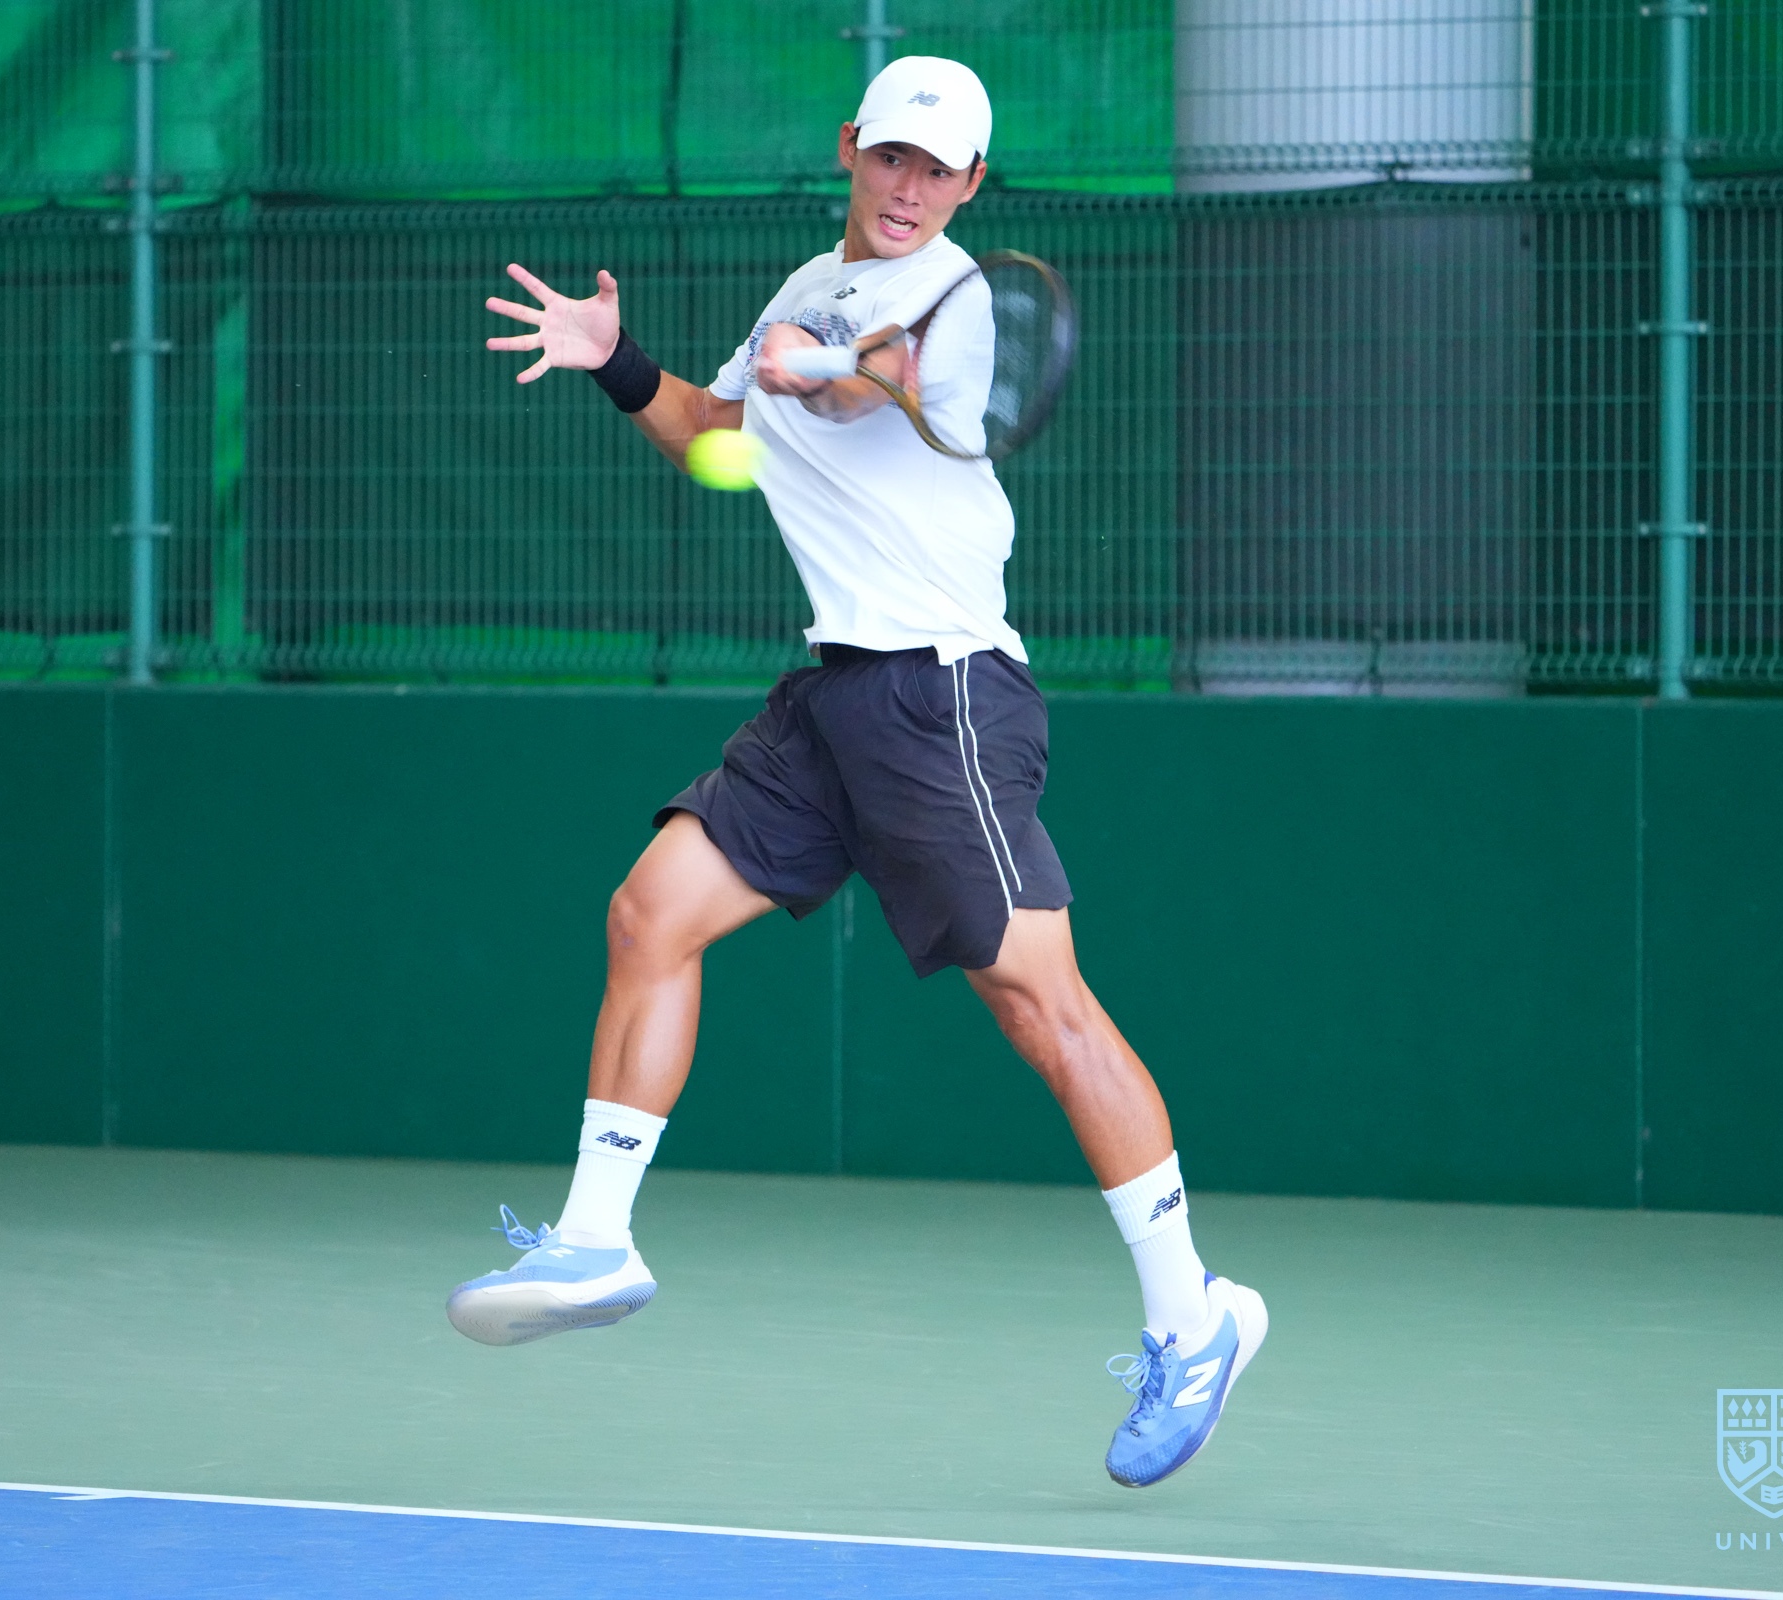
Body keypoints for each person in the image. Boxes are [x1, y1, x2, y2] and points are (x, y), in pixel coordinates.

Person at [452, 55, 1265, 1489]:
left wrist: (821, 371)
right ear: (851, 147)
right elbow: (721, 443)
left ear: (972, 187)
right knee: (651, 913)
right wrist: (620, 365)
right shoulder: (804, 287)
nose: (909, 189)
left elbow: (862, 393)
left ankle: (1193, 1318)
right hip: (836, 694)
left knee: (1043, 1005)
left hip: (943, 695)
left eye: (939, 172)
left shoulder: (959, 304)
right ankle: (594, 1240)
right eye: (892, 157)